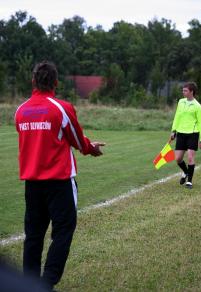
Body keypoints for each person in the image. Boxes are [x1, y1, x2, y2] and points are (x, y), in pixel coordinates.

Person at [14, 61, 105, 291]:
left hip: (32, 184)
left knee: (33, 235)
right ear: (55, 82)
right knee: (63, 230)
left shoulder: (20, 111)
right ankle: (47, 282)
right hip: (59, 182)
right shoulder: (61, 108)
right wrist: (90, 148)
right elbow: (76, 139)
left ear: (33, 80)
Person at [170, 82, 201, 189]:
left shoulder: (197, 106)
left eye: (185, 90)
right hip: (181, 133)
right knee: (178, 159)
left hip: (193, 134)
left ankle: (189, 181)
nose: (183, 92)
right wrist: (173, 130)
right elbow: (177, 117)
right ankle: (185, 172)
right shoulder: (181, 102)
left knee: (190, 157)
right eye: (183, 90)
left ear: (191, 92)